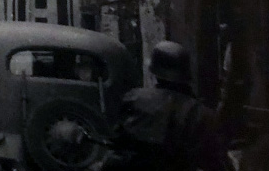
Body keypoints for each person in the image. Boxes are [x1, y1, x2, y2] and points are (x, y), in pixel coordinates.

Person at [98, 41, 229, 171]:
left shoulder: (134, 98)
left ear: (154, 73)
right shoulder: (202, 115)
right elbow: (214, 161)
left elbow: (117, 141)